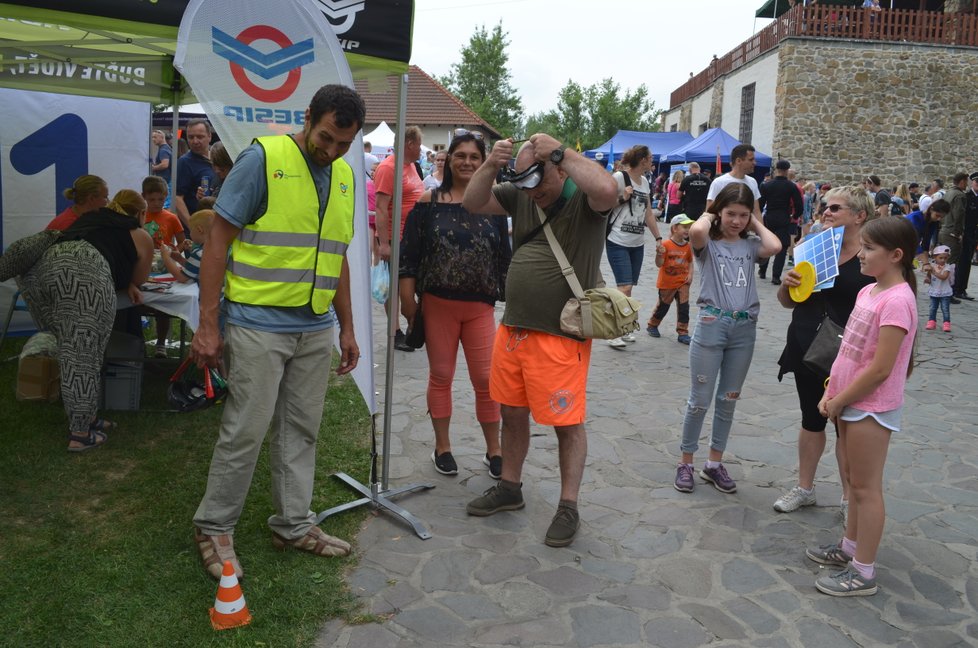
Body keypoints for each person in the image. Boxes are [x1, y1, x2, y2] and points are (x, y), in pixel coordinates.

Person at [189, 84, 364, 581]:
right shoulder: (262, 158)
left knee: (301, 429)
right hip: (256, 324)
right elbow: (217, 240)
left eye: (343, 144)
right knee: (245, 428)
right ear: (308, 118)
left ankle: (292, 524)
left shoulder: (347, 176)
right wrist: (207, 323)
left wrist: (347, 326)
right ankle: (214, 526)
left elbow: (336, 257)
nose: (331, 151)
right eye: (326, 138)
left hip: (313, 328)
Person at [461, 133, 618, 548]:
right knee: (512, 414)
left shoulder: (584, 198)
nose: (533, 195)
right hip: (514, 331)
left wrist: (561, 150)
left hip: (561, 337)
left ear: (559, 167)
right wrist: (491, 164)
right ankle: (510, 486)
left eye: (539, 183)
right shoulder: (524, 194)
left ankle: (568, 505)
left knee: (567, 424)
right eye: (524, 185)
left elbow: (607, 188)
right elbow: (472, 201)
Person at [805, 216, 918, 598]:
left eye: (869, 249)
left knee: (867, 488)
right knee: (852, 481)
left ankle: (864, 572)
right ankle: (849, 548)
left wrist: (840, 398)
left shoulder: (898, 300)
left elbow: (881, 368)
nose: (861, 255)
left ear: (896, 255)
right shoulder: (867, 292)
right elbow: (850, 353)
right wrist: (830, 393)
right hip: (849, 401)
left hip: (870, 406)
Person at [398, 132, 510, 478]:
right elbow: (409, 257)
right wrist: (407, 301)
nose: (466, 162)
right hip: (438, 305)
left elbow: (504, 258)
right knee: (441, 375)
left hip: (479, 306)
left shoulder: (494, 204)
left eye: (474, 157)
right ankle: (442, 447)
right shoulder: (428, 201)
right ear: (448, 161)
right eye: (460, 155)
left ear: (484, 161)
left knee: (486, 379)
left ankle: (495, 449)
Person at [17, 190, 153, 451]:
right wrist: (131, 283)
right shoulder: (139, 234)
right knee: (80, 356)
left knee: (79, 350)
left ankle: (88, 417)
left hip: (41, 276)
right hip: (84, 275)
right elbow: (140, 278)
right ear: (140, 213)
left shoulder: (91, 221)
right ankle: (79, 434)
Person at [773, 186, 875, 520]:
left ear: (860, 216)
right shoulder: (811, 247)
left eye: (835, 208)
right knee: (810, 420)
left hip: (849, 354)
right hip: (806, 345)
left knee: (844, 426)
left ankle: (849, 500)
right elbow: (789, 301)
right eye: (824, 207)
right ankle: (805, 489)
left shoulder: (871, 256)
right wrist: (787, 285)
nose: (825, 212)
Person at [673, 183, 781, 495]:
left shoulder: (749, 245)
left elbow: (773, 247)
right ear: (719, 212)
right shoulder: (707, 243)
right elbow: (695, 233)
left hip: (744, 329)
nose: (736, 220)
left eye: (743, 215)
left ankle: (713, 463)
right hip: (712, 324)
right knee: (699, 401)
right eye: (730, 213)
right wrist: (710, 213)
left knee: (728, 400)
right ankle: (686, 462)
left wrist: (755, 220)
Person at [605, 145, 662, 350]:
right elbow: (602, 203)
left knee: (628, 289)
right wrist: (623, 198)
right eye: (650, 158)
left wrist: (658, 238)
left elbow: (648, 214)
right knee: (624, 287)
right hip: (617, 239)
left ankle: (624, 327)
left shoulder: (645, 182)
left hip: (636, 243)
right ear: (642, 160)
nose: (652, 162)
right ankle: (613, 331)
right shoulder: (620, 178)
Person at [375, 125, 426, 351]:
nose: (422, 150)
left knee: (411, 284)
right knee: (394, 287)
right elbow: (381, 208)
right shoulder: (389, 168)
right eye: (419, 144)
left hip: (414, 237)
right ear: (410, 144)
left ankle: (413, 327)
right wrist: (384, 243)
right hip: (397, 238)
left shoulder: (412, 166)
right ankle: (395, 332)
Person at [142, 175, 187, 357]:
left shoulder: (171, 218)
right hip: (144, 266)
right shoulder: (140, 216)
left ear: (166, 196)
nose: (156, 203)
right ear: (144, 196)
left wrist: (176, 250)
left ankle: (161, 343)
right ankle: (139, 344)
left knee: (163, 307)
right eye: (152, 199)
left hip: (165, 268)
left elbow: (183, 242)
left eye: (160, 199)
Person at [646, 214, 694, 344]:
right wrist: (659, 254)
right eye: (684, 227)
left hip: (683, 282)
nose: (687, 230)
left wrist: (690, 274)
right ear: (674, 229)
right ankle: (652, 324)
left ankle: (683, 332)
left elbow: (690, 261)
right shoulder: (666, 245)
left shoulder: (688, 246)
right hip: (667, 283)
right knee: (663, 306)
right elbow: (659, 264)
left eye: (689, 227)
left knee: (684, 307)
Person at [758, 159, 804, 283]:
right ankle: (776, 276)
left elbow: (760, 204)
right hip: (784, 217)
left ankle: (762, 270)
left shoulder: (766, 185)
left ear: (776, 170)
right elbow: (799, 204)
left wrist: (759, 219)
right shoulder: (791, 186)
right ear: (787, 170)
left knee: (767, 243)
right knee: (782, 248)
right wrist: (795, 216)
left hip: (770, 216)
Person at [173, 119, 214, 231]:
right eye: (191, 137)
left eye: (200, 137)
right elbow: (177, 198)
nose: (195, 141)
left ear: (209, 136)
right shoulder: (184, 162)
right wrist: (192, 226)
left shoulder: (218, 157)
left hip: (217, 225)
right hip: (198, 229)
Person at [706, 144, 762, 221]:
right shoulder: (719, 182)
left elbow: (756, 211)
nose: (754, 163)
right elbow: (709, 212)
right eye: (751, 160)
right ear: (738, 161)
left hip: (746, 231)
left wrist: (761, 232)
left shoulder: (752, 182)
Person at [161, 209, 215, 284]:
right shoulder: (215, 249)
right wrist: (179, 259)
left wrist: (166, 257)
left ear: (199, 230)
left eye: (191, 230)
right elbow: (194, 269)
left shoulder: (200, 253)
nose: (190, 234)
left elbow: (181, 277)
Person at [955, 172, 978, 299]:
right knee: (962, 261)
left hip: (974, 234)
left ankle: (962, 288)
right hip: (965, 233)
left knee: (968, 261)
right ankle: (957, 288)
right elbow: (961, 216)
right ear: (972, 183)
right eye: (976, 182)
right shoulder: (967, 197)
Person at [906, 198, 949, 265]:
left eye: (942, 217)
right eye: (937, 215)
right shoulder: (915, 218)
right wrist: (925, 263)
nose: (939, 219)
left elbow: (926, 242)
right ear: (931, 209)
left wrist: (926, 262)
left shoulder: (933, 223)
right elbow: (913, 242)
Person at [923, 244, 954, 332]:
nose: (943, 260)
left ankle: (946, 323)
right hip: (934, 290)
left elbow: (944, 277)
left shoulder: (947, 267)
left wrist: (934, 272)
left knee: (945, 308)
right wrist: (927, 279)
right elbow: (929, 276)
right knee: (933, 307)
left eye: (945, 258)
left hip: (945, 292)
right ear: (935, 257)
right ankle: (931, 321)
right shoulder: (932, 266)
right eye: (941, 258)